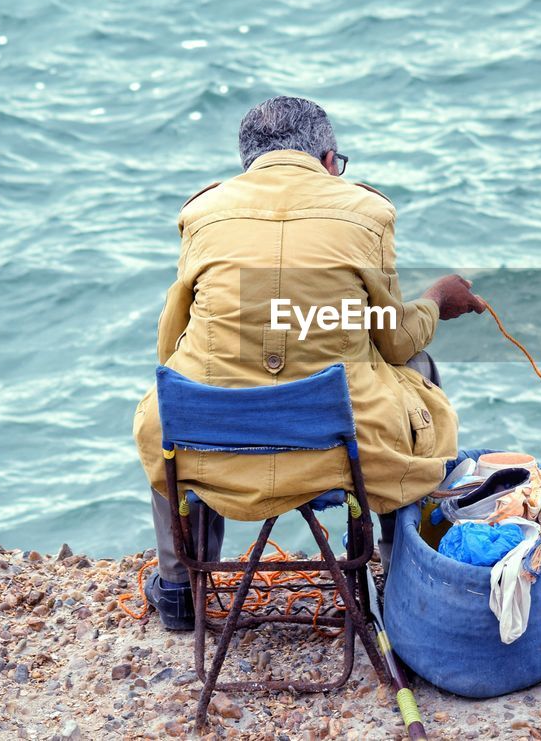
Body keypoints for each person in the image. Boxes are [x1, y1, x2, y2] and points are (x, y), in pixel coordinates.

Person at [132, 95, 485, 629]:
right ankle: (400, 572)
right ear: (327, 159)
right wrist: (436, 299)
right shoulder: (367, 214)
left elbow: (168, 344)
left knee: (175, 400)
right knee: (420, 370)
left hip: (214, 447)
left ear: (248, 164)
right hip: (340, 453)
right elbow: (394, 342)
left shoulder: (203, 213)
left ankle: (181, 587)